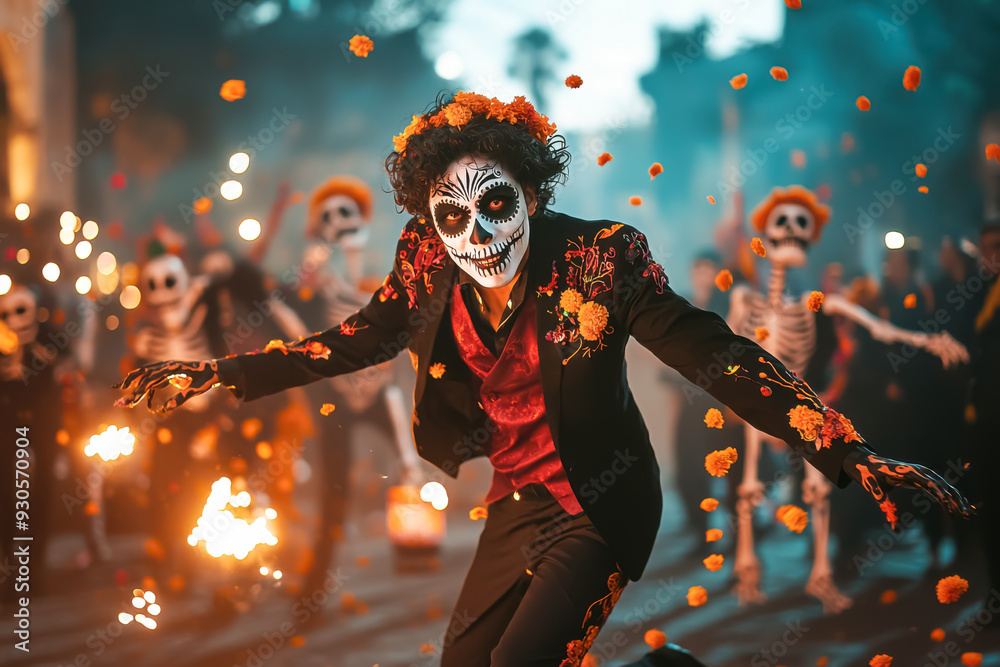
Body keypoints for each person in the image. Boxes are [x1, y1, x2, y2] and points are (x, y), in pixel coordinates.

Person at [114, 91, 972, 666]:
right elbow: (360, 338)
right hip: (517, 502)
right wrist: (214, 375)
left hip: (599, 501)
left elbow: (720, 356)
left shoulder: (602, 258)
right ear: (428, 221)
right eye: (451, 215)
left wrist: (849, 453)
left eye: (496, 204)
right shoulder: (425, 257)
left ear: (529, 189)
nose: (476, 233)